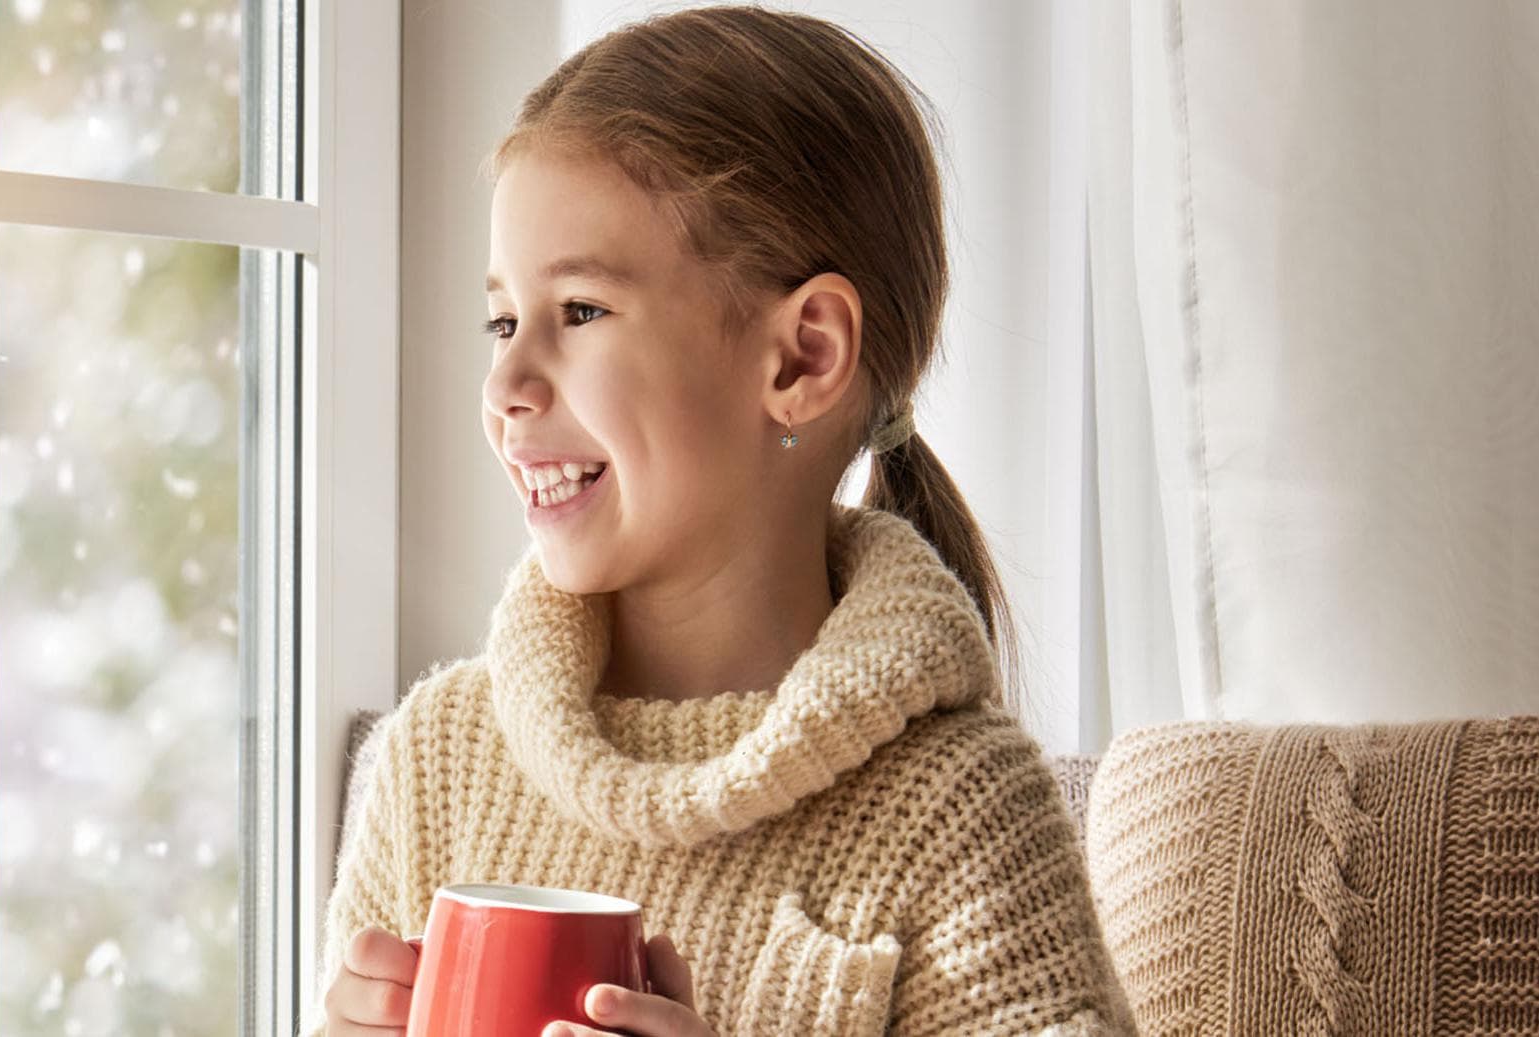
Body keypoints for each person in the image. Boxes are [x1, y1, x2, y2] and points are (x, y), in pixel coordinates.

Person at [313, 7, 1133, 1036]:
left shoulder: (958, 812)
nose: (506, 384)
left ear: (802, 357)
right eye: (500, 321)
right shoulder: (436, 759)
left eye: (578, 311)